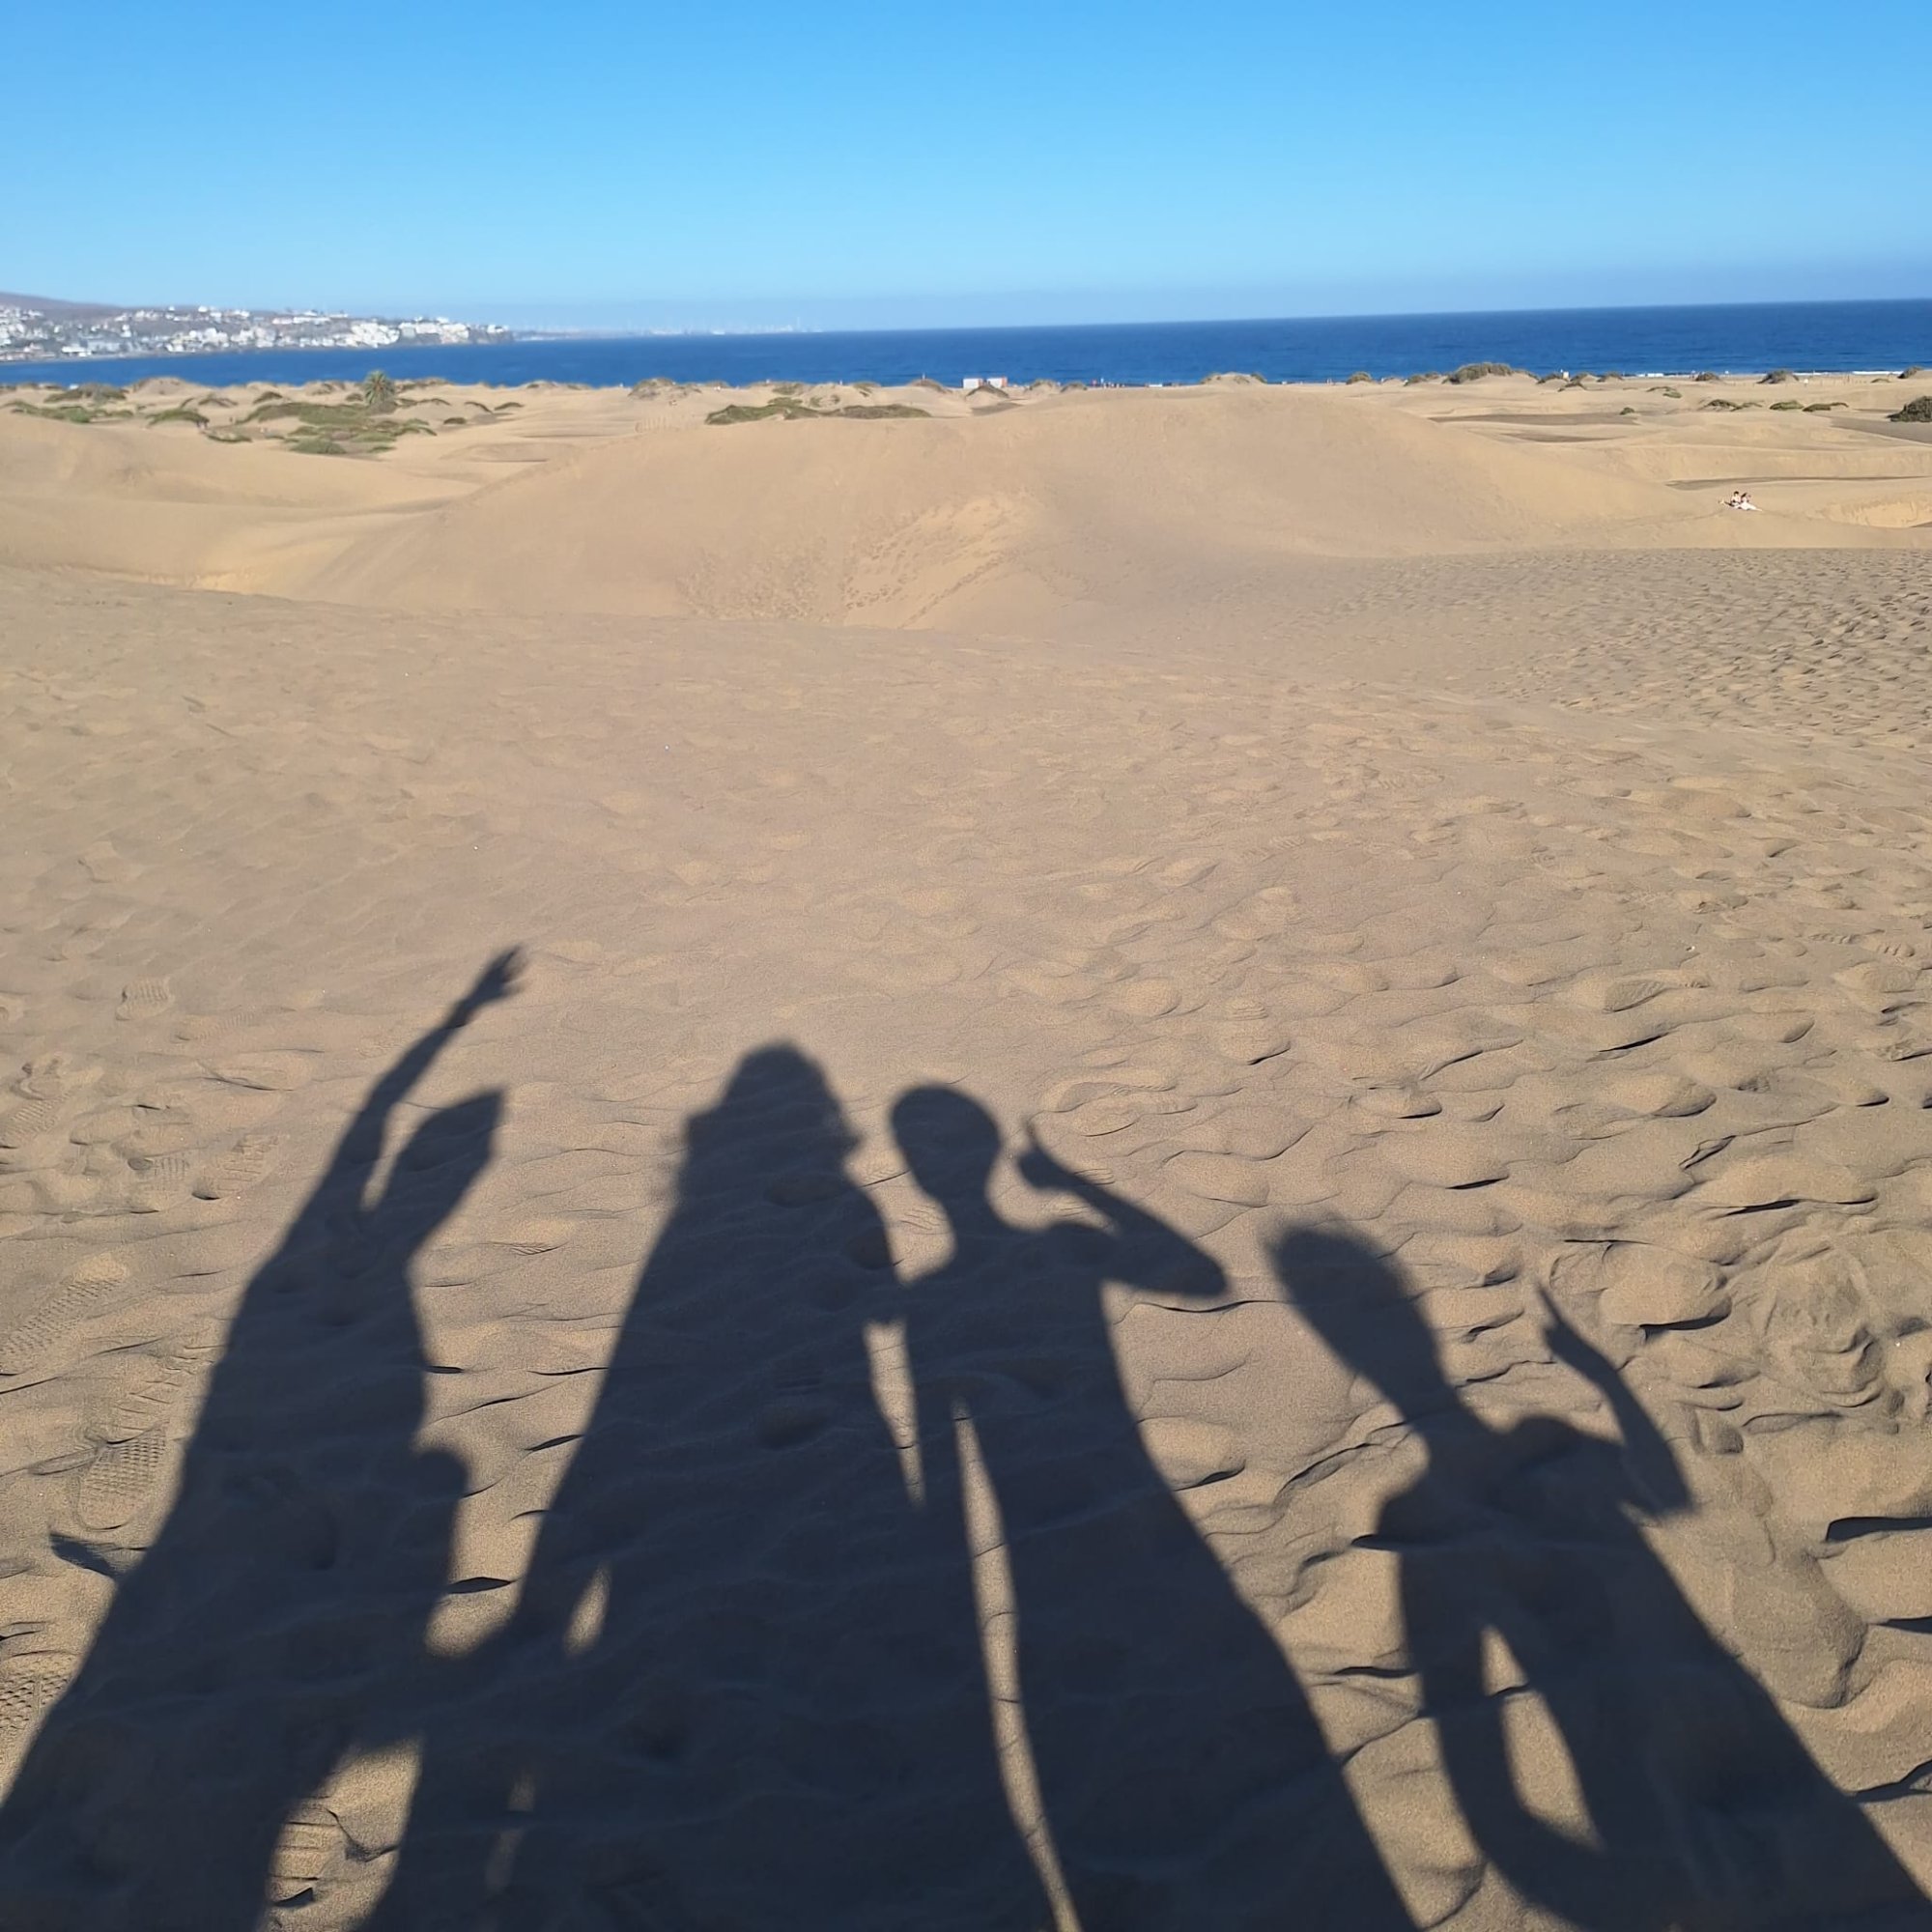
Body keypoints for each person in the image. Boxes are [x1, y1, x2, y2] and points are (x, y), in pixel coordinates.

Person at [1276, 1226, 1927, 1930]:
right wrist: (1606, 1381)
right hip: (1709, 1816)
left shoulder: (1416, 1516)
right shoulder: (1436, 1512)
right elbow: (1669, 1496)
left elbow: (1489, 1800)